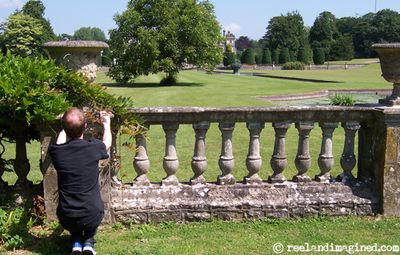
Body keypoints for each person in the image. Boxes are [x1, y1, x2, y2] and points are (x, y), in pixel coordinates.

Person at [49, 107, 112, 255]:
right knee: (93, 210)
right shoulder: (93, 148)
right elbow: (107, 142)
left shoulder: (57, 152)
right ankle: (88, 241)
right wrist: (107, 124)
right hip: (92, 215)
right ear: (85, 126)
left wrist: (66, 127)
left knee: (75, 220)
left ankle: (77, 241)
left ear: (63, 128)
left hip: (66, 217)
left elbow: (60, 143)